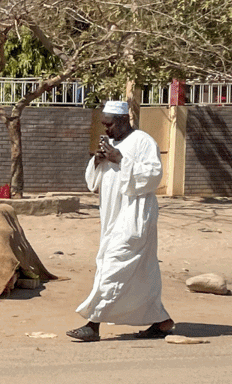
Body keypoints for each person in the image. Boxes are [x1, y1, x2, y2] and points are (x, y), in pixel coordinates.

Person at [67, 100, 174, 342]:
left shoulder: (143, 141)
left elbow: (153, 176)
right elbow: (93, 182)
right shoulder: (111, 142)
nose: (105, 129)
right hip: (111, 216)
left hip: (134, 216)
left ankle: (92, 324)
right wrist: (97, 160)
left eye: (109, 124)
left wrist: (120, 159)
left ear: (124, 120)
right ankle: (161, 321)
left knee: (113, 266)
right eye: (103, 125)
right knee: (140, 273)